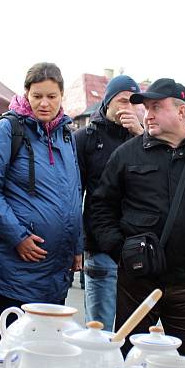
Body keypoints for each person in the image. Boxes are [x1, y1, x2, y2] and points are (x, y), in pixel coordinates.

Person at [92, 78, 185, 366]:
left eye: (156, 107)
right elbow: (100, 207)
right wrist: (119, 251)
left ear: (182, 112)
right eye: (146, 108)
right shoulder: (126, 154)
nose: (147, 114)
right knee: (127, 361)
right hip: (136, 282)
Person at [0, 63, 82, 333]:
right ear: (26, 94)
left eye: (51, 96)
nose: (44, 103)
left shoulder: (67, 136)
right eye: (37, 96)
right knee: (10, 351)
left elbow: (73, 194)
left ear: (61, 97)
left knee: (45, 350)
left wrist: (76, 246)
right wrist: (18, 237)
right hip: (14, 269)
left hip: (55, 272)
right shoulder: (8, 129)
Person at [75, 75, 143, 331]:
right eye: (123, 100)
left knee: (132, 331)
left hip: (137, 249)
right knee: (99, 330)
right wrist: (77, 246)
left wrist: (140, 134)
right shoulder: (85, 138)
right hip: (101, 248)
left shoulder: (142, 138)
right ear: (107, 101)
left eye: (135, 103)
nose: (129, 107)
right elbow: (76, 195)